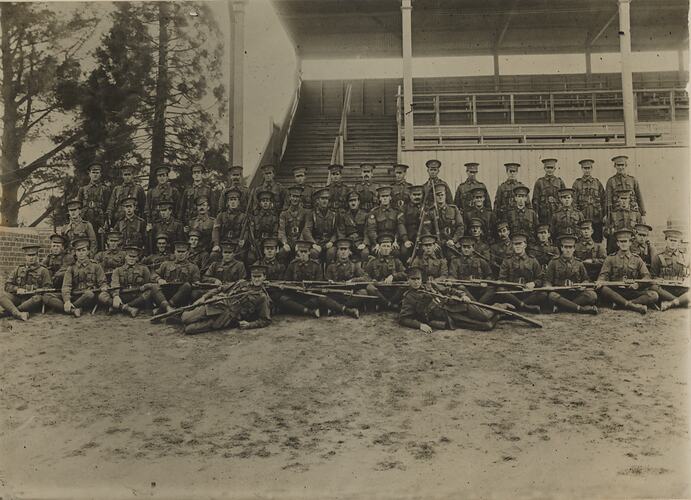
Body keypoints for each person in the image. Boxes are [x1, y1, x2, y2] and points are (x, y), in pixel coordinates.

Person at [398, 266, 503, 333]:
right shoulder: (408, 297)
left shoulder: (430, 285)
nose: (416, 282)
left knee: (485, 315)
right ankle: (499, 315)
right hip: (447, 317)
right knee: (487, 325)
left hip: (457, 304)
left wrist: (461, 295)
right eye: (413, 279)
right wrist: (420, 325)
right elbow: (403, 318)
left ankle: (500, 306)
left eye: (418, 279)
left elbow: (449, 290)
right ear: (408, 280)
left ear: (421, 279)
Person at [181, 264, 272, 335]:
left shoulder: (262, 297)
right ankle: (185, 315)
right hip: (215, 305)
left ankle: (192, 318)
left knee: (189, 329)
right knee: (185, 318)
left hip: (226, 318)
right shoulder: (241, 283)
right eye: (254, 276)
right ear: (251, 276)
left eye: (259, 276)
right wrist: (204, 297)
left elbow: (265, 320)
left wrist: (249, 325)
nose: (256, 279)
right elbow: (220, 288)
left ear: (264, 277)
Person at [279, 240, 355, 318]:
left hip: (311, 296)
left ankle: (347, 310)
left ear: (309, 253)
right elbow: (286, 281)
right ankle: (310, 312)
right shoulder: (292, 265)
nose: (303, 254)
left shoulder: (316, 266)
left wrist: (310, 289)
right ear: (298, 252)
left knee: (323, 298)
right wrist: (294, 287)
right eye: (301, 252)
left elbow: (319, 283)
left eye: (305, 252)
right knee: (283, 299)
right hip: (296, 296)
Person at [596, 228, 658, 314]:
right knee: (603, 289)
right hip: (616, 291)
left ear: (630, 243)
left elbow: (647, 276)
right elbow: (603, 275)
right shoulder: (610, 258)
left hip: (632, 291)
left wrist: (637, 284)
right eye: (621, 242)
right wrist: (600, 281)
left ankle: (623, 304)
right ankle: (632, 306)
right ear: (617, 243)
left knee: (654, 295)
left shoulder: (637, 259)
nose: (623, 244)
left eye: (625, 241)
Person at [544, 234, 598, 314]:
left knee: (592, 295)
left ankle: (562, 307)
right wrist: (548, 286)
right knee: (552, 296)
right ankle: (582, 309)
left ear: (574, 249)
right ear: (562, 248)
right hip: (560, 293)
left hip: (575, 293)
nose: (568, 250)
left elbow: (586, 279)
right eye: (566, 247)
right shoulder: (554, 262)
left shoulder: (579, 263)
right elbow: (547, 280)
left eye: (570, 247)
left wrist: (583, 285)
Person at [1, 244, 56, 320]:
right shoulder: (19, 269)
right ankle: (17, 313)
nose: (31, 258)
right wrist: (17, 289)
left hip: (32, 300)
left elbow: (48, 288)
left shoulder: (43, 270)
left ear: (37, 256)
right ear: (25, 256)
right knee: (1, 295)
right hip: (18, 298)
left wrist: (34, 290)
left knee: (38, 298)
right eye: (28, 255)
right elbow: (7, 285)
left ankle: (10, 311)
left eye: (33, 255)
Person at [497, 231, 546, 314]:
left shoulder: (532, 260)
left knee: (543, 294)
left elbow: (540, 278)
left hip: (528, 293)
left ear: (525, 245)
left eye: (520, 244)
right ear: (512, 246)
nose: (517, 246)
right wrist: (509, 284)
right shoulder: (507, 261)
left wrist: (533, 283)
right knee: (500, 290)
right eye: (515, 244)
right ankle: (525, 307)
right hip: (513, 293)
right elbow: (502, 279)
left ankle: (516, 306)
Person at [61, 237, 110, 317]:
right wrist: (67, 300)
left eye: (83, 250)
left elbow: (103, 282)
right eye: (78, 250)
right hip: (76, 296)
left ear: (88, 252)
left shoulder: (95, 266)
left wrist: (104, 286)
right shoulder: (71, 268)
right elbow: (66, 286)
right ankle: (73, 309)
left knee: (89, 294)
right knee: (47, 297)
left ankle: (71, 308)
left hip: (91, 296)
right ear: (75, 253)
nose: (81, 253)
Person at [150, 240, 201, 314]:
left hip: (182, 296)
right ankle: (168, 308)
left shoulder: (193, 267)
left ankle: (163, 308)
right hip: (167, 293)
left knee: (187, 285)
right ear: (174, 252)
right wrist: (159, 279)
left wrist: (195, 284)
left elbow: (196, 282)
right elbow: (153, 274)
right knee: (154, 286)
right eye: (178, 251)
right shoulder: (166, 264)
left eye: (183, 252)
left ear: (187, 253)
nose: (180, 254)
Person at [105, 245, 153, 317]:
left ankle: (122, 307)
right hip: (123, 295)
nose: (132, 259)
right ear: (125, 257)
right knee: (103, 295)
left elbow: (148, 282)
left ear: (137, 258)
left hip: (137, 296)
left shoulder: (143, 269)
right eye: (130, 256)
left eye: (134, 257)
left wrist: (145, 287)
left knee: (150, 292)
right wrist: (116, 296)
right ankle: (129, 309)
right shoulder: (118, 270)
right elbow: (115, 284)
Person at [363, 234, 407, 309]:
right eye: (383, 246)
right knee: (369, 288)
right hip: (379, 291)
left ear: (391, 249)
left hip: (392, 291)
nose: (386, 249)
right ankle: (389, 305)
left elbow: (405, 274)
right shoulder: (372, 262)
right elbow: (365, 276)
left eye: (388, 246)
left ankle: (385, 304)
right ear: (379, 247)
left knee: (404, 286)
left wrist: (393, 276)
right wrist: (372, 281)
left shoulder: (396, 261)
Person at [650, 228, 690, 311]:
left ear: (679, 242)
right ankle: (682, 301)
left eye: (675, 241)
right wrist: (659, 279)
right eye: (671, 240)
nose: (673, 243)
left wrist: (688, 279)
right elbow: (653, 276)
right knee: (652, 287)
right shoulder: (658, 256)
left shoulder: (685, 257)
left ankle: (670, 303)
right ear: (666, 240)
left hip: (681, 288)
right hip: (665, 290)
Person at [448, 236, 495, 303]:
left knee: (491, 288)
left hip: (479, 288)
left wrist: (485, 282)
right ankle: (478, 306)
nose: (466, 249)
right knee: (461, 287)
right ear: (461, 248)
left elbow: (490, 275)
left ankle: (477, 305)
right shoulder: (455, 261)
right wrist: (451, 280)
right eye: (464, 247)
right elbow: (452, 275)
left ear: (473, 248)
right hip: (465, 289)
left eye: (469, 247)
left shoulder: (480, 260)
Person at [366, 186, 408, 258]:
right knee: (377, 252)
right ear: (379, 198)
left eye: (387, 196)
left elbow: (400, 227)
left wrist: (395, 240)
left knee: (398, 252)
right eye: (382, 196)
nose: (385, 198)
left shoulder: (396, 211)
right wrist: (376, 243)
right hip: (378, 239)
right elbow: (371, 230)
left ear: (390, 198)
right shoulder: (374, 212)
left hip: (393, 239)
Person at [77, 162, 110, 250]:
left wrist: (106, 222)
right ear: (89, 173)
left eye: (97, 172)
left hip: (100, 219)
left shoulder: (105, 189)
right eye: (93, 172)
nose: (95, 175)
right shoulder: (83, 189)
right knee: (86, 240)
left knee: (101, 242)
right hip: (86, 218)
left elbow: (108, 207)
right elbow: (78, 207)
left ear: (100, 174)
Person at [572, 159, 606, 242]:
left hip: (596, 218)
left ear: (591, 168)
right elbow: (573, 201)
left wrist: (604, 215)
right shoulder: (577, 183)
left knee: (597, 240)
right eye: (585, 168)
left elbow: (604, 199)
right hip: (583, 218)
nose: (587, 170)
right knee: (582, 240)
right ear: (582, 169)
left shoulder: (597, 183)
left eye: (588, 168)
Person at [302, 187, 339, 264]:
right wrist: (313, 244)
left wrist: (332, 241)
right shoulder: (312, 214)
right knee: (313, 253)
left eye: (326, 198)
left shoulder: (333, 215)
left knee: (331, 253)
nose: (325, 201)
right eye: (322, 198)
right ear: (317, 200)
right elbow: (307, 230)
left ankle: (329, 274)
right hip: (317, 242)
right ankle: (316, 274)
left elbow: (337, 231)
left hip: (329, 243)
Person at [605, 155, 645, 221]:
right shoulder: (611, 181)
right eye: (618, 165)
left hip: (632, 213)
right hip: (617, 213)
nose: (620, 167)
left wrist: (643, 214)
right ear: (615, 166)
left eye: (622, 165)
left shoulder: (633, 180)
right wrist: (607, 215)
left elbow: (639, 197)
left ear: (626, 165)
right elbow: (608, 200)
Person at [400, 184, 432, 264]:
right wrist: (405, 239)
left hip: (422, 237)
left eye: (419, 194)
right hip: (409, 237)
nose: (417, 197)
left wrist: (425, 239)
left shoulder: (426, 208)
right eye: (414, 195)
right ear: (410, 195)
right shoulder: (404, 208)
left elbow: (428, 226)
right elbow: (401, 224)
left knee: (425, 251)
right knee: (404, 252)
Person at [429, 187, 464, 259]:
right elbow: (426, 229)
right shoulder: (430, 211)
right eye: (437, 195)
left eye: (442, 195)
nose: (440, 197)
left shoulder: (453, 209)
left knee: (454, 258)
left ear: (445, 195)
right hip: (436, 243)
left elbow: (460, 226)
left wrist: (454, 240)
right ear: (434, 197)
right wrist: (432, 243)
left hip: (451, 242)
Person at [278, 186, 310, 264]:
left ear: (300, 198)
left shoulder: (305, 213)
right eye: (293, 196)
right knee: (282, 252)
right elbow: (281, 230)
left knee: (303, 254)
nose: (295, 199)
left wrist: (300, 243)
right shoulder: (284, 214)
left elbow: (306, 229)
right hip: (289, 241)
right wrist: (285, 243)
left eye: (297, 197)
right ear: (290, 197)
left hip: (301, 241)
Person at [604, 189, 642, 253]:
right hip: (616, 247)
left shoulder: (636, 214)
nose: (624, 201)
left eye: (626, 198)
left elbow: (641, 232)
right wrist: (610, 231)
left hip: (632, 248)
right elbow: (605, 233)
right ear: (618, 200)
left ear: (629, 199)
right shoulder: (613, 214)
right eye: (622, 198)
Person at [212, 187, 248, 254]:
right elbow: (216, 230)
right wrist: (216, 244)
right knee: (213, 255)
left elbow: (246, 230)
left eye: (235, 199)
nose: (233, 202)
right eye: (231, 200)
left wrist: (243, 240)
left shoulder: (243, 216)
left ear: (238, 202)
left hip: (236, 244)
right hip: (223, 243)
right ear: (228, 202)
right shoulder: (221, 215)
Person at [338, 191, 371, 263]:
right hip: (348, 242)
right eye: (350, 201)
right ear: (348, 203)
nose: (353, 203)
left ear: (358, 202)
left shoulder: (365, 215)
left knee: (365, 253)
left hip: (360, 241)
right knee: (341, 253)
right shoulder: (344, 216)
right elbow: (341, 232)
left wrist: (364, 243)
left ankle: (364, 272)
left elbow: (367, 231)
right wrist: (344, 245)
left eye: (355, 200)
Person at [249, 190, 280, 262]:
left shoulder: (274, 217)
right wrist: (253, 244)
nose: (265, 203)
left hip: (270, 242)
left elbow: (275, 233)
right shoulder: (255, 217)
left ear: (270, 202)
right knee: (251, 257)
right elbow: (251, 233)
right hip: (258, 242)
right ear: (260, 203)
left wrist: (272, 244)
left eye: (267, 200)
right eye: (263, 201)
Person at [533, 158, 565, 224]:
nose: (549, 170)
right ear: (544, 168)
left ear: (554, 169)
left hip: (557, 211)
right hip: (543, 213)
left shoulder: (559, 182)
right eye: (548, 168)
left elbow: (564, 197)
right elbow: (535, 199)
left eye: (551, 168)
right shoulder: (539, 182)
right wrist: (535, 213)